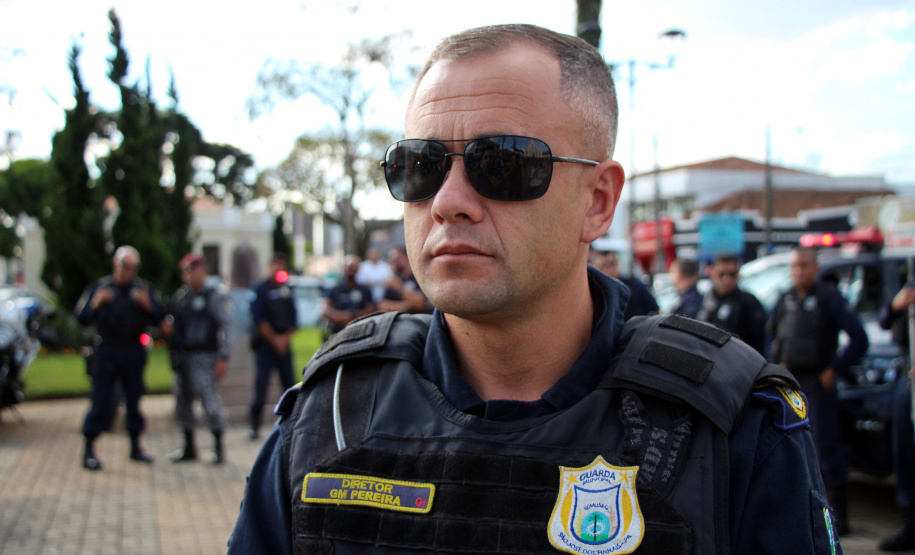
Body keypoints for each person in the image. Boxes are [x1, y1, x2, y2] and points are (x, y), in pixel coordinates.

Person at [229, 24, 837, 554]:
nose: (448, 202)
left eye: (502, 164)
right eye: (420, 165)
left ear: (597, 201)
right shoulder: (331, 414)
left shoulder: (731, 429)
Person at [768, 245, 869, 536]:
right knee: (789, 450)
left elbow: (859, 338)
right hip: (791, 384)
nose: (798, 271)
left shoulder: (829, 298)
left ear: (816, 268)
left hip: (818, 383)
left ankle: (839, 519)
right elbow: (771, 335)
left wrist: (834, 369)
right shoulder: (785, 298)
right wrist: (775, 364)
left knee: (825, 449)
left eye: (804, 265)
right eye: (794, 266)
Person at [74, 245, 165, 470]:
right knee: (100, 400)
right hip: (107, 350)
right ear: (116, 264)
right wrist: (97, 302)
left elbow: (160, 318)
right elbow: (81, 317)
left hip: (133, 350)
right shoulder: (101, 287)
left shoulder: (143, 289)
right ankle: (89, 450)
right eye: (126, 266)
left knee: (133, 401)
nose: (129, 271)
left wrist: (148, 305)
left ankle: (135, 447)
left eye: (134, 267)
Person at [161, 254, 232, 465]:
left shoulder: (213, 297)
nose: (191, 275)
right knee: (183, 404)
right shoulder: (181, 299)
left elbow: (227, 324)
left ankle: (218, 447)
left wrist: (223, 356)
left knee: (210, 403)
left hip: (205, 357)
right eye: (187, 271)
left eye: (195, 270)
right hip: (183, 358)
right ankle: (189, 447)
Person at [876, 283, 915, 551]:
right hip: (907, 375)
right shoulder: (908, 289)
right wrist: (895, 305)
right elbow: (884, 322)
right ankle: (910, 523)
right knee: (904, 452)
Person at [248, 253, 298, 440]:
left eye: (282, 266)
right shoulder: (260, 290)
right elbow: (258, 319)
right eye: (276, 265)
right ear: (269, 266)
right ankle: (255, 426)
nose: (279, 269)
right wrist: (275, 339)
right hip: (266, 346)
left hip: (284, 345)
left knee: (289, 385)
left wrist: (284, 339)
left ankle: (294, 424)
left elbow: (294, 318)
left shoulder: (287, 289)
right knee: (261, 386)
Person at [696, 253, 767, 355]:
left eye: (732, 274)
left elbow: (758, 343)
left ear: (738, 273)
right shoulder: (706, 300)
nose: (727, 280)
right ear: (713, 273)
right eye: (721, 274)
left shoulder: (748, 302)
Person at [592, 248, 659, 320]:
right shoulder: (595, 292)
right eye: (605, 265)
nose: (610, 268)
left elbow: (655, 310)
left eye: (612, 263)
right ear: (597, 268)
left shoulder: (635, 285)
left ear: (617, 263)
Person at [323, 255, 377, 334]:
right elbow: (325, 309)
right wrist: (340, 317)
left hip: (360, 330)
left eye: (354, 267)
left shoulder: (365, 290)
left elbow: (371, 308)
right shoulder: (335, 289)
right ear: (343, 268)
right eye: (349, 267)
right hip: (338, 330)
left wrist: (354, 316)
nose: (351, 270)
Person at [378, 245, 431, 313]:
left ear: (407, 257)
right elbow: (382, 306)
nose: (394, 262)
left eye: (397, 258)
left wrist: (399, 288)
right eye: (392, 259)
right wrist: (409, 304)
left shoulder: (418, 277)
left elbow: (421, 304)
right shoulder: (394, 280)